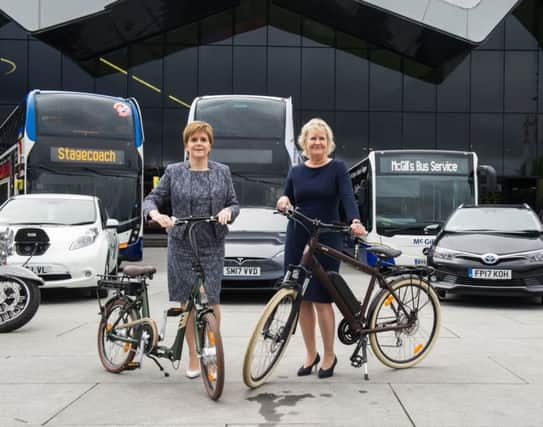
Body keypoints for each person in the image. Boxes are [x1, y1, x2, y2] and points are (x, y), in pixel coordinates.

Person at [143, 120, 239, 378]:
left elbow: (234, 203)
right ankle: (194, 358)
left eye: (203, 140)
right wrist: (155, 213)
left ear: (210, 145)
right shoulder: (174, 172)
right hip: (182, 243)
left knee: (212, 299)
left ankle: (213, 351)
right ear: (187, 145)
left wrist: (228, 212)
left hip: (212, 243)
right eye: (194, 140)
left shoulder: (223, 172)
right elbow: (152, 198)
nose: (199, 144)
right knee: (189, 303)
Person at [276, 118, 366, 379]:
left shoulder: (337, 168)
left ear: (328, 143)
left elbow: (348, 197)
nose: (317, 142)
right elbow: (287, 196)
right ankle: (310, 353)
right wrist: (283, 200)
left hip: (326, 237)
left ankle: (329, 354)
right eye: (312, 138)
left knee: (322, 298)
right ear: (305, 143)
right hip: (297, 235)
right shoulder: (296, 171)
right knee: (301, 297)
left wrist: (355, 221)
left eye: (321, 138)